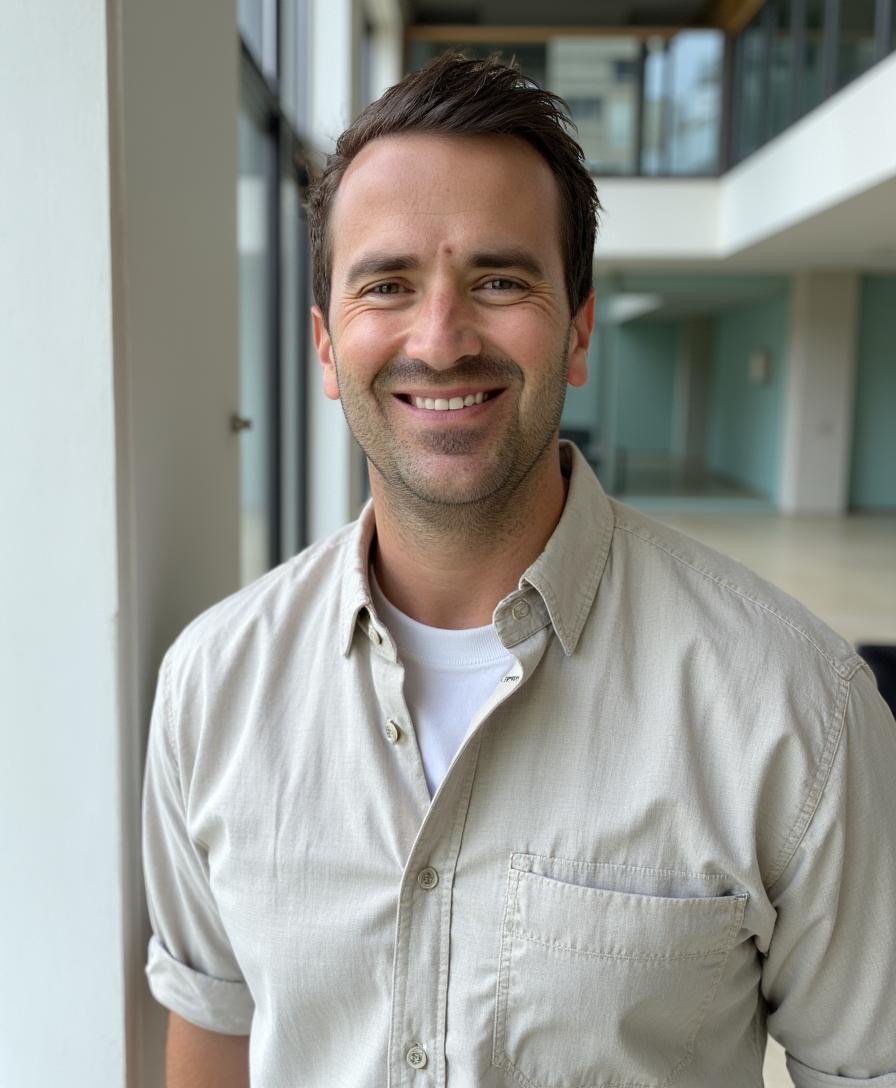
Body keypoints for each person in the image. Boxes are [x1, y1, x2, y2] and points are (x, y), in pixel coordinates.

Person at [142, 52, 896, 1088]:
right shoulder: (210, 685)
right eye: (387, 283)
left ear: (578, 329)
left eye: (498, 278)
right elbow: (213, 1032)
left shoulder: (795, 708)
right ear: (325, 346)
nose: (441, 336)